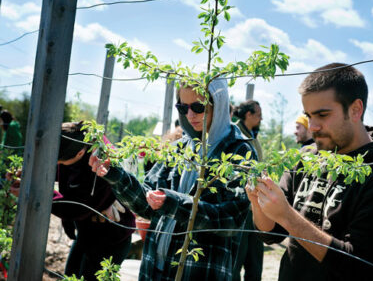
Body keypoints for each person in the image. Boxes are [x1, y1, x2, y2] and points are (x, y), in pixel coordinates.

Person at [89, 78, 256, 281]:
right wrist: (116, 175)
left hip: (198, 274)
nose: (190, 115)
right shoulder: (179, 149)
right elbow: (146, 205)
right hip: (155, 269)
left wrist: (174, 204)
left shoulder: (239, 152)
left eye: (198, 106)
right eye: (182, 107)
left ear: (219, 106)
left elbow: (231, 221)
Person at [247, 63, 373, 281]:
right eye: (308, 115)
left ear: (355, 109)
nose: (312, 126)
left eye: (322, 115)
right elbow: (270, 232)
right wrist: (259, 202)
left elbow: (358, 265)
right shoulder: (306, 156)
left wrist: (288, 217)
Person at [11, 122, 135, 280]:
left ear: (80, 154)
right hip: (87, 232)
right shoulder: (74, 141)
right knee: (70, 276)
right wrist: (25, 174)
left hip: (111, 239)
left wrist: (35, 192)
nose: (58, 165)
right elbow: (52, 169)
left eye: (61, 163)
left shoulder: (102, 167)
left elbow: (75, 209)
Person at [232, 100, 264, 281]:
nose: (261, 118)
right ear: (248, 115)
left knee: (255, 258)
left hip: (256, 207)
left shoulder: (252, 134)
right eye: (258, 115)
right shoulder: (237, 135)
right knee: (237, 257)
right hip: (242, 206)